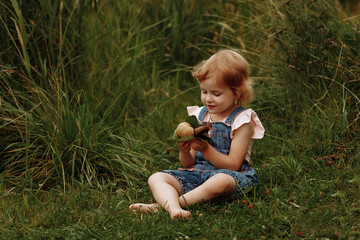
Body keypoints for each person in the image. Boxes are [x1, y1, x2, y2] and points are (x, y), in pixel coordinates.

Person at [129, 49, 265, 219]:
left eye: (216, 94)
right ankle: (174, 208)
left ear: (236, 92)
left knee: (220, 181)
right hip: (197, 174)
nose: (208, 99)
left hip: (230, 177)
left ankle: (166, 204)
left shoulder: (241, 121)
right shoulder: (199, 116)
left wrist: (206, 149)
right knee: (156, 178)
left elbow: (233, 165)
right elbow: (188, 164)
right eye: (204, 91)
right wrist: (184, 150)